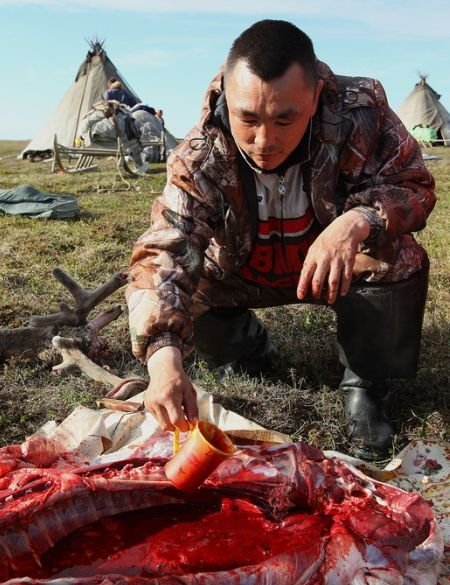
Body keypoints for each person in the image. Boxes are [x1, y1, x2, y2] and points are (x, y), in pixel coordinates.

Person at [127, 19, 436, 460]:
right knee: (185, 274)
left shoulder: (361, 113)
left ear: (314, 99)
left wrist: (357, 221)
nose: (264, 140)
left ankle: (367, 384)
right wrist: (162, 356)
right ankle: (246, 349)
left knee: (399, 258)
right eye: (247, 118)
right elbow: (163, 250)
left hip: (338, 268)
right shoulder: (199, 153)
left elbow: (414, 185)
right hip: (241, 270)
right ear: (228, 102)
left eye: (284, 119)